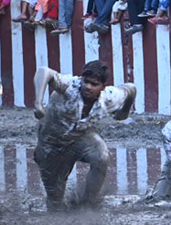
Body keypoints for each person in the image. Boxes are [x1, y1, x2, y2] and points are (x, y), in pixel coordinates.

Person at [33, 60, 136, 211]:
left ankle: (88, 203)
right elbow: (44, 71)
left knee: (101, 156)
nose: (88, 87)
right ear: (81, 79)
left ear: (102, 87)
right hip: (51, 144)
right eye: (85, 81)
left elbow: (131, 89)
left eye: (94, 84)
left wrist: (124, 112)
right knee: (55, 203)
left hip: (81, 137)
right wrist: (38, 103)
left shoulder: (109, 97)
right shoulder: (70, 86)